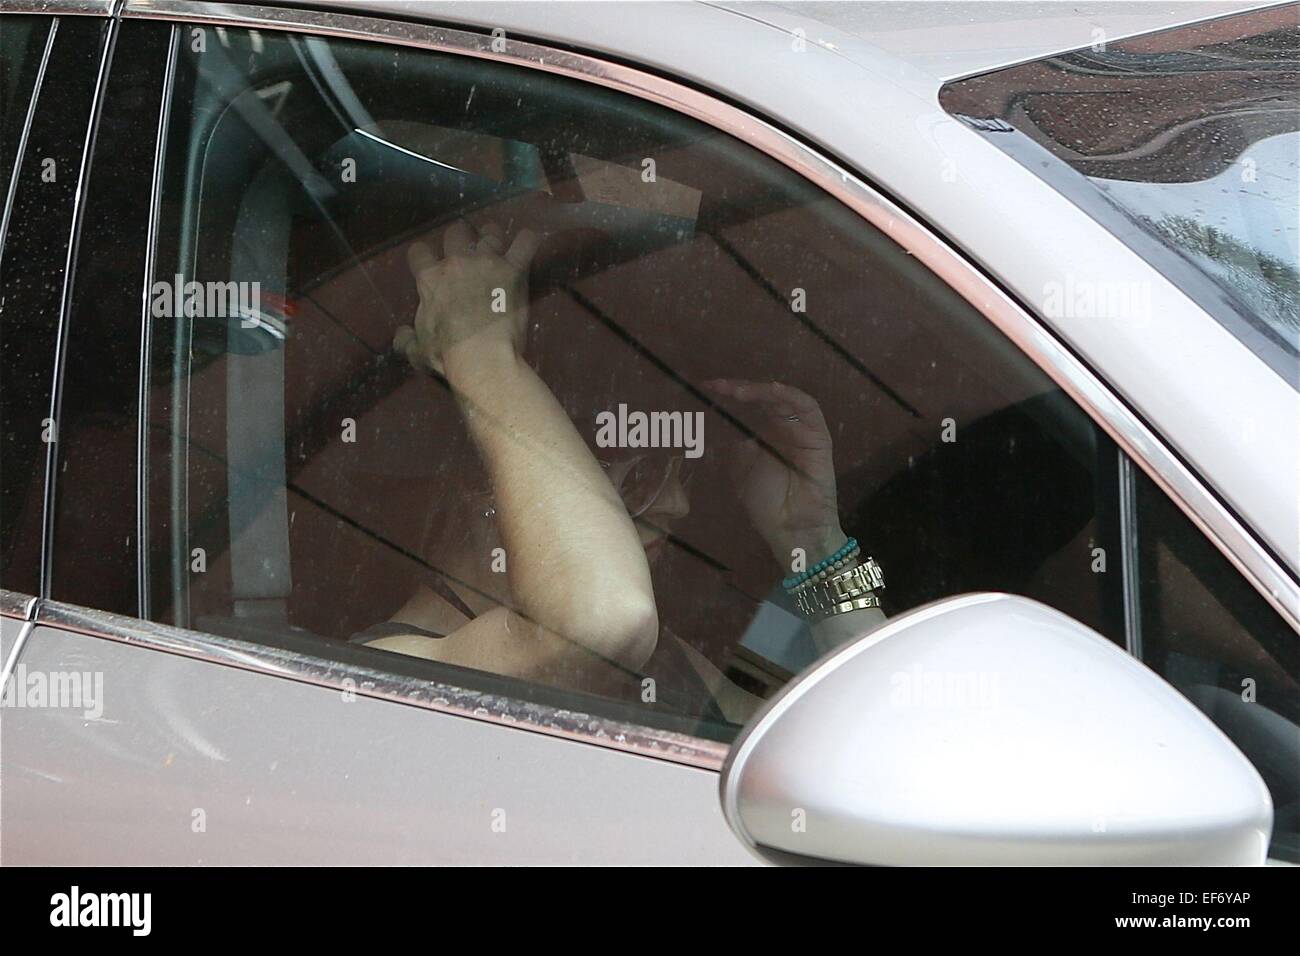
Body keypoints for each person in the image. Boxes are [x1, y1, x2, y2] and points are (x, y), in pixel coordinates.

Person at [353, 219, 886, 724]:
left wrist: (814, 545)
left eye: (684, 471)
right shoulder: (382, 667)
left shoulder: (662, 659)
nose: (680, 504)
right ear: (493, 480)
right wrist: (481, 354)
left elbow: (877, 743)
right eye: (645, 475)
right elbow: (602, 623)